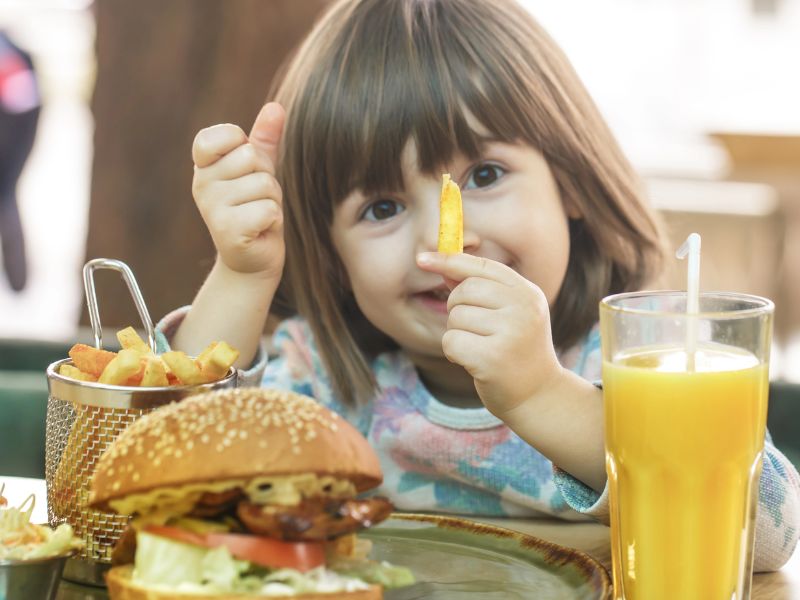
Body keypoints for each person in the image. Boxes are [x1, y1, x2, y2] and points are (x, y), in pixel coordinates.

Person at [157, 0, 799, 571]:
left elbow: (770, 537)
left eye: (485, 175)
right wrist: (243, 277)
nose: (445, 241)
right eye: (381, 208)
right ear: (330, 254)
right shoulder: (319, 380)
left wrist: (542, 394)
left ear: (570, 181)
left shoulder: (642, 359)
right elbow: (164, 482)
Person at [0, 31, 40, 292]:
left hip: (10, 146)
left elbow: (22, 108)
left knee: (6, 202)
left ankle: (18, 284)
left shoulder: (8, 53)